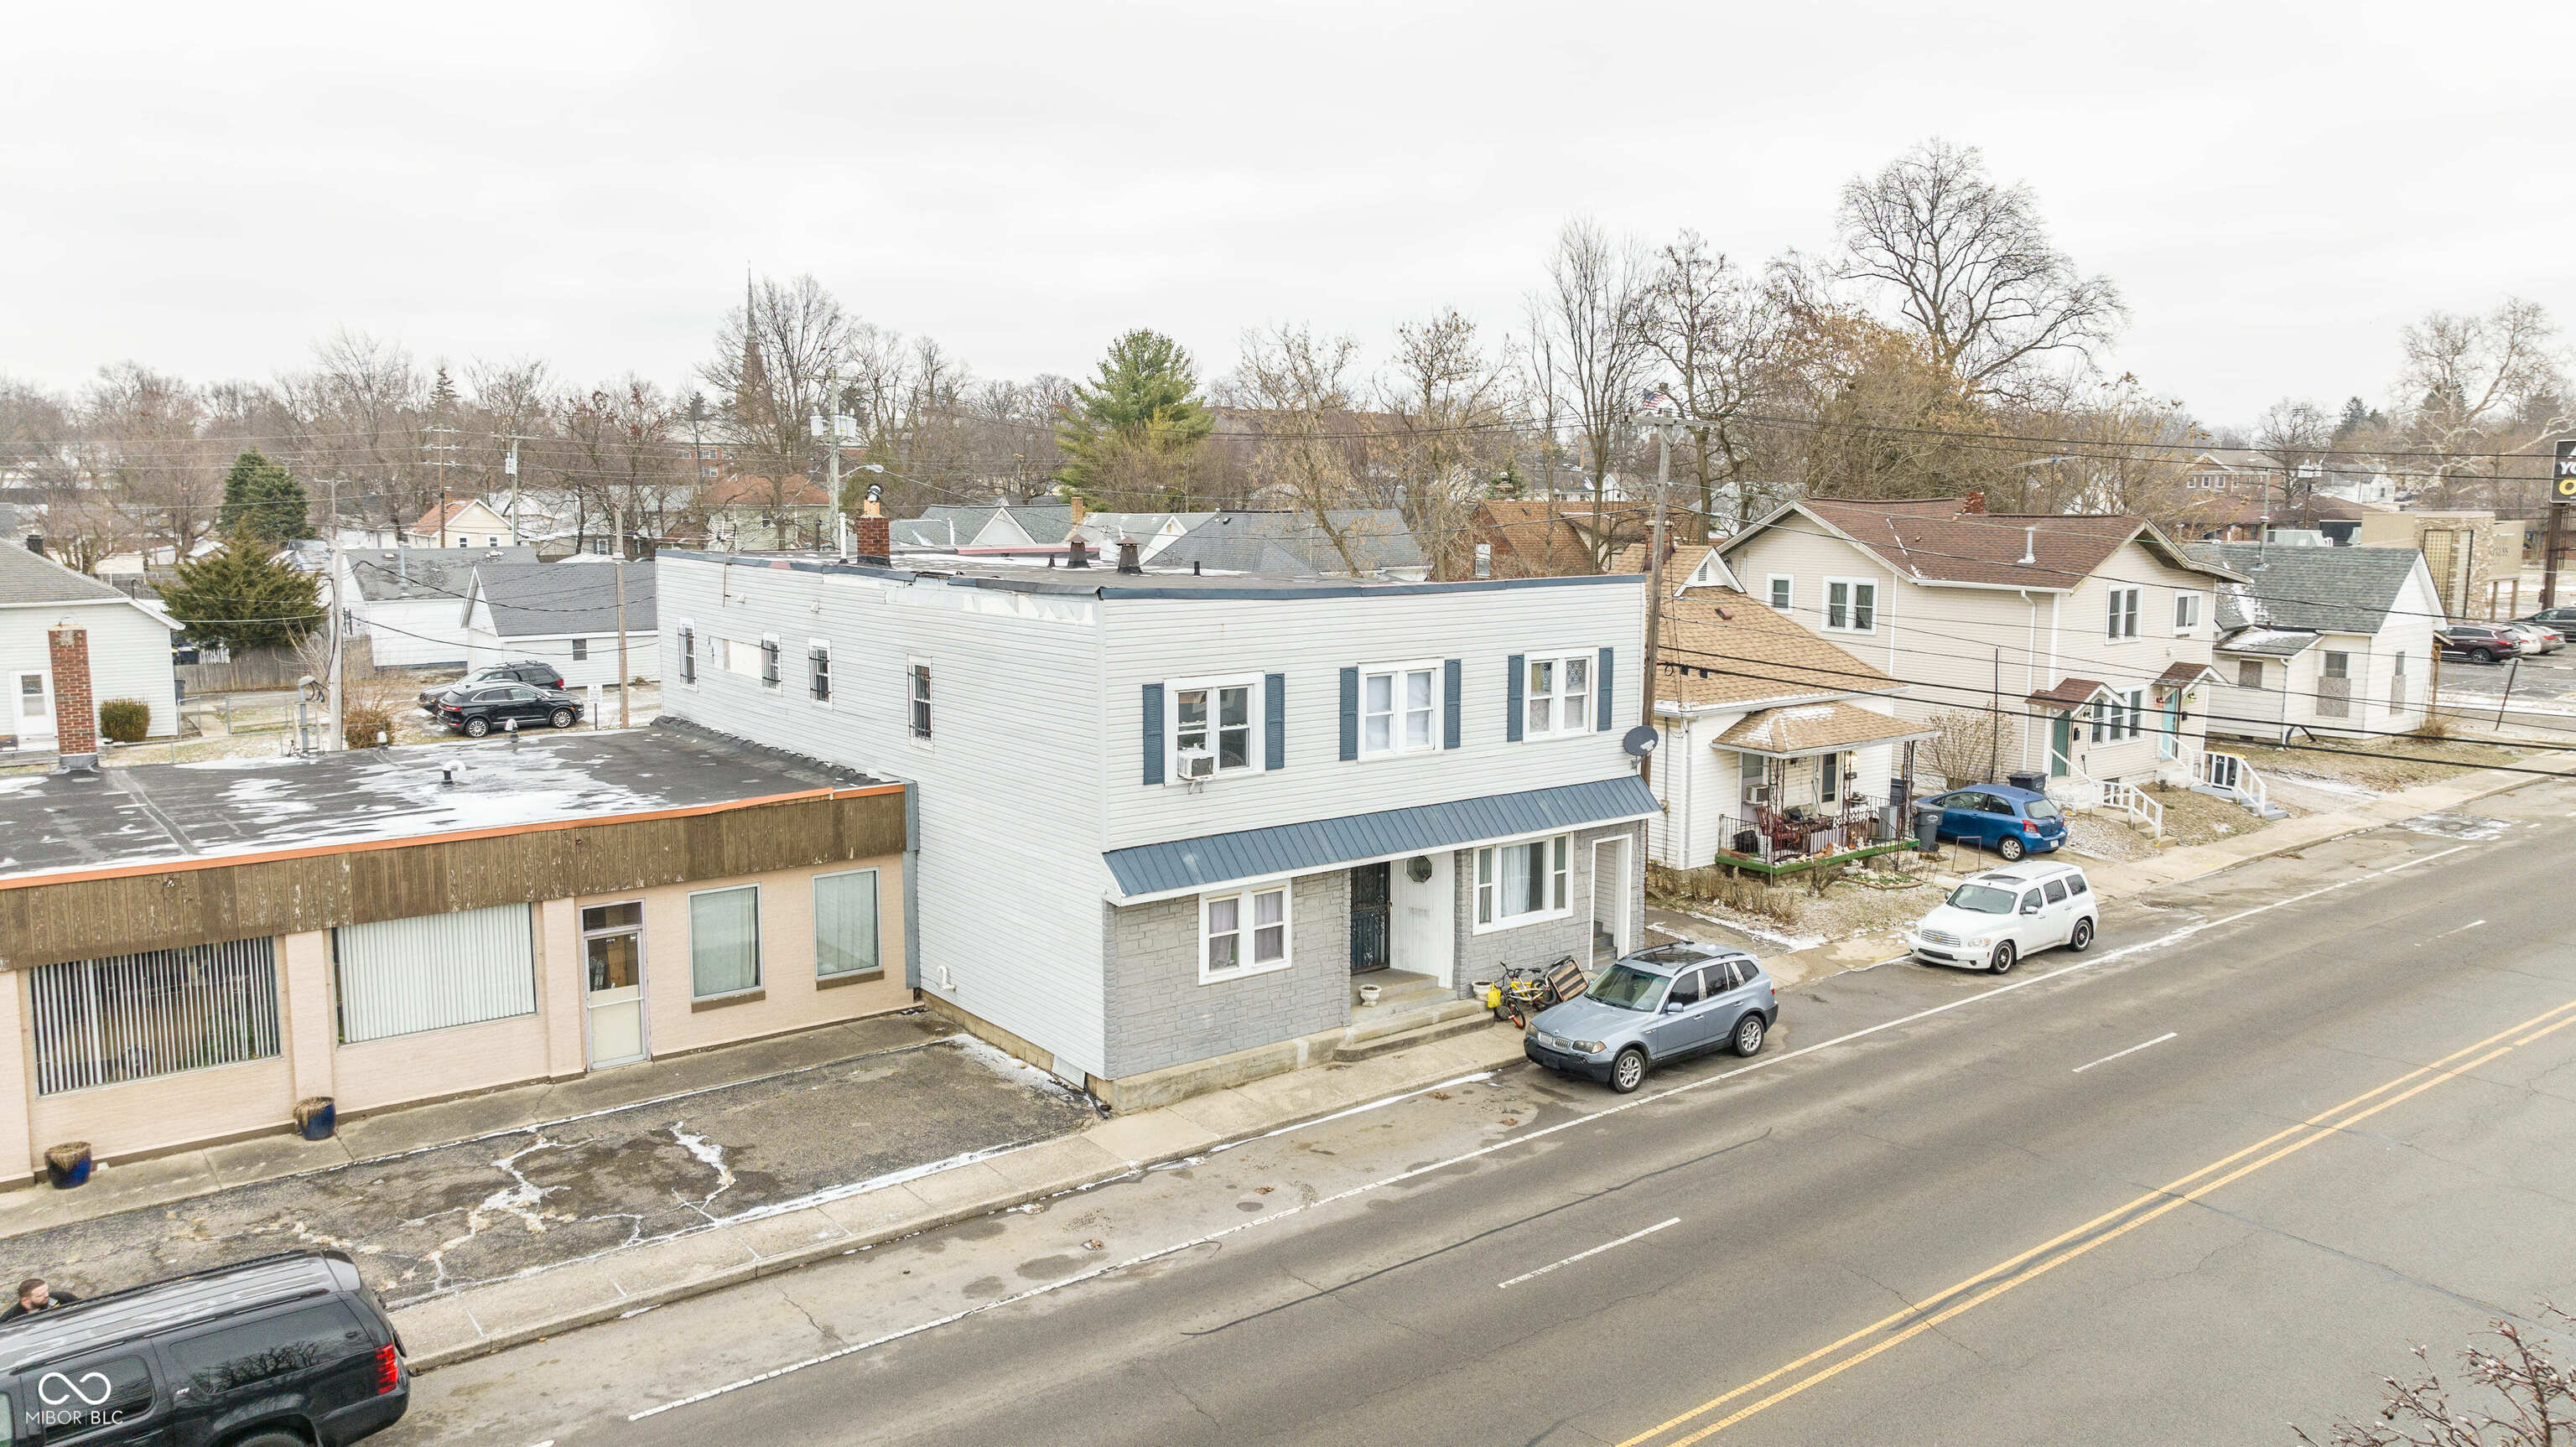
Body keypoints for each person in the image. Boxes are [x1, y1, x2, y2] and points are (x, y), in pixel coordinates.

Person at [0, 1278, 77, 1322]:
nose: (47, 1296)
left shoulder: (62, 1298)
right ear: (25, 1300)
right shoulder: (10, 1318)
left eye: (46, 1291)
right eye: (40, 1295)